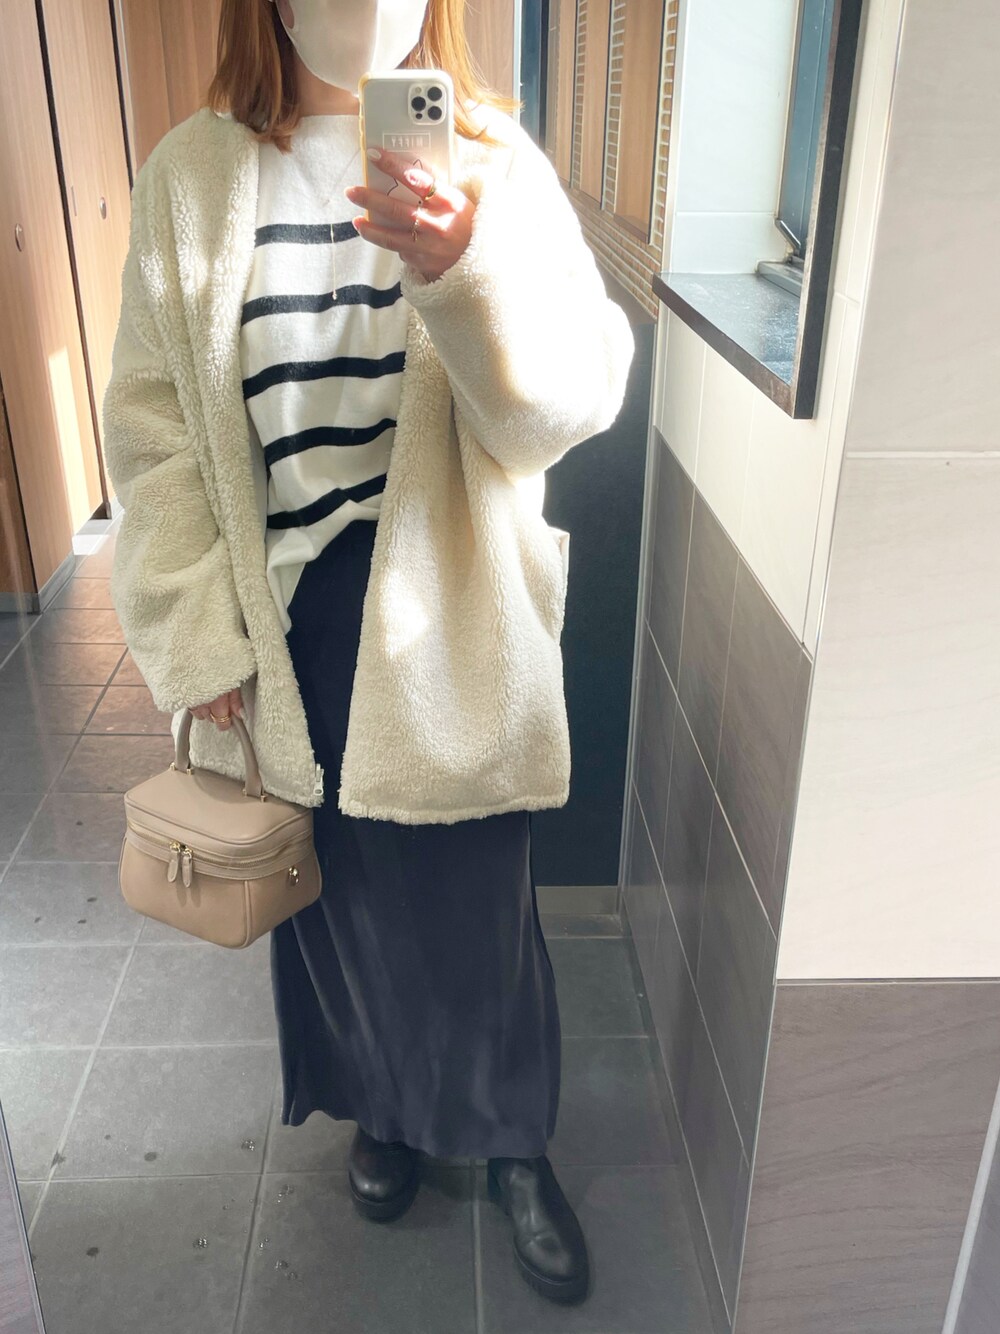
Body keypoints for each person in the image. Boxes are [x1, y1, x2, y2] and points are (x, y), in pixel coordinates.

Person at [103, 0, 633, 1307]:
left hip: (449, 602)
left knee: (477, 901)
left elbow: (571, 402)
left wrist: (465, 271)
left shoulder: (490, 163)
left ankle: (511, 1142)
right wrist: (194, 633)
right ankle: (381, 1110)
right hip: (280, 617)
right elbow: (155, 433)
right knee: (332, 903)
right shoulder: (192, 176)